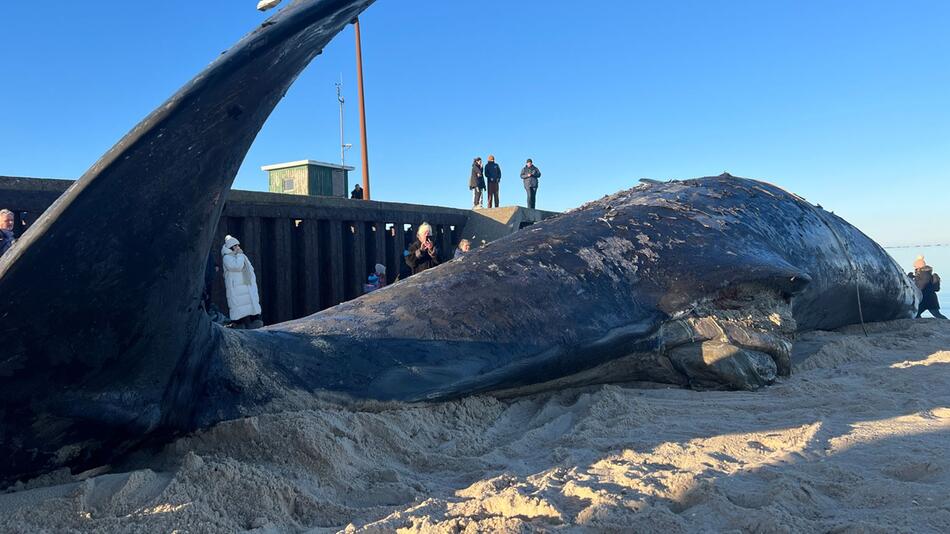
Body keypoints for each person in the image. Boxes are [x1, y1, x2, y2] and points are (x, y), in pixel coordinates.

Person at [221, 235, 263, 328]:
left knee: (248, 304)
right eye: (235, 246)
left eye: (237, 245)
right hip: (236, 286)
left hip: (245, 284)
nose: (237, 247)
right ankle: (239, 323)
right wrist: (240, 255)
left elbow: (249, 268)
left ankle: (253, 321)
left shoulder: (240, 255)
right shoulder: (227, 257)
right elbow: (237, 266)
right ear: (230, 247)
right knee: (238, 305)